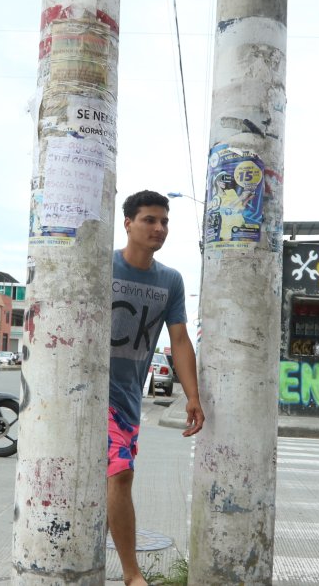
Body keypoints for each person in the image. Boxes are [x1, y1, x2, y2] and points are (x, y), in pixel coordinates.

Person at [108, 190, 205, 586]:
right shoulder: (101, 266)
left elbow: (179, 340)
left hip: (130, 395)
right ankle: (133, 574)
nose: (159, 228)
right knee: (120, 475)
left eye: (164, 222)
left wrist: (193, 397)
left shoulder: (170, 280)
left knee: (115, 477)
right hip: (91, 393)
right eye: (149, 220)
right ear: (128, 223)